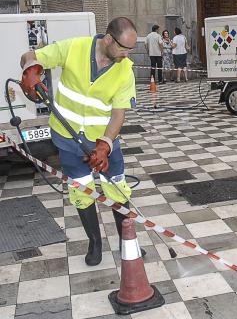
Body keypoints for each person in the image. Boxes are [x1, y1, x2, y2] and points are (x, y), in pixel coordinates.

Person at [20, 17, 145, 266]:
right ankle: (95, 243)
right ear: (109, 39)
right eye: (123, 48)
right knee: (82, 191)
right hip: (68, 140)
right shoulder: (74, 48)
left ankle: (127, 243)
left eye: (130, 50)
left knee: (117, 190)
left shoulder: (125, 70)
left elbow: (119, 114)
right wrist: (30, 71)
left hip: (104, 144)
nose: (125, 55)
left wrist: (105, 145)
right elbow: (30, 55)